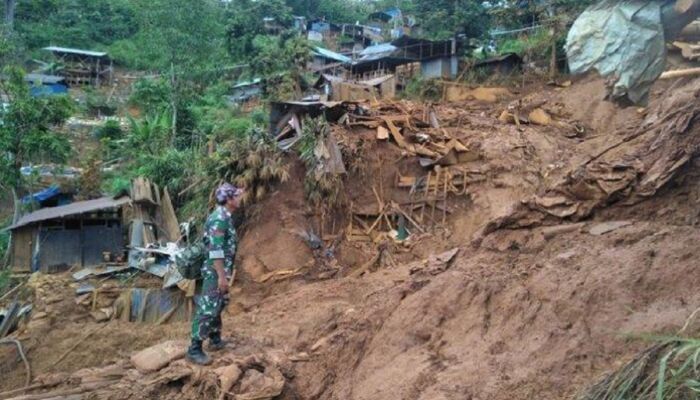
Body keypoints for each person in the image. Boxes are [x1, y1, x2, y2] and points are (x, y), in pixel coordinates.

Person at [187, 183, 244, 365]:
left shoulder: (225, 216)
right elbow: (215, 250)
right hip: (214, 271)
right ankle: (194, 349)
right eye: (236, 196)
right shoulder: (219, 219)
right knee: (208, 307)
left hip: (221, 270)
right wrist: (220, 276)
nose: (239, 198)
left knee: (219, 303)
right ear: (228, 199)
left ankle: (215, 339)